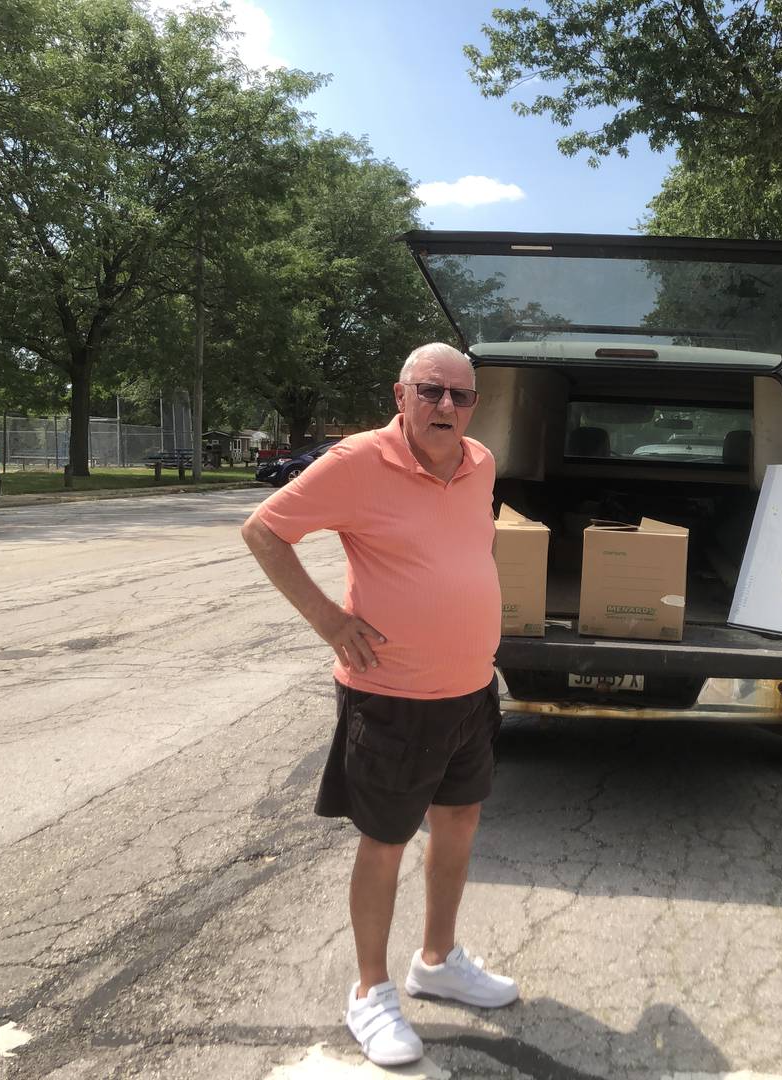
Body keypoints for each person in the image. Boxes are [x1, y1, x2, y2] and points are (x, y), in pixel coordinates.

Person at [240, 343, 517, 1067]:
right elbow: (263, 530)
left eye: (460, 395)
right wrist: (330, 621)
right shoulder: (360, 461)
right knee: (386, 840)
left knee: (458, 822)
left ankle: (438, 959)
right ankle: (369, 991)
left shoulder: (481, 464)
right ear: (401, 394)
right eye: (431, 392)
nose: (446, 407)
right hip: (392, 696)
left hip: (469, 687)